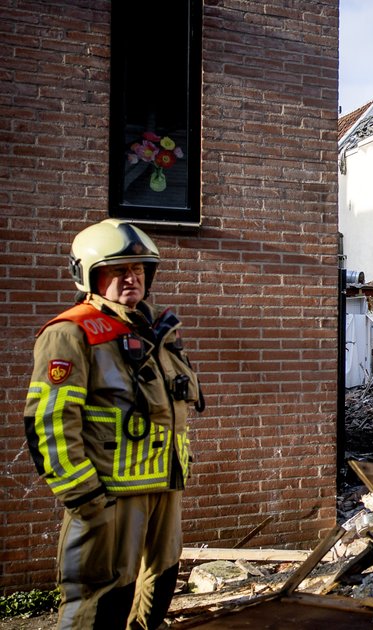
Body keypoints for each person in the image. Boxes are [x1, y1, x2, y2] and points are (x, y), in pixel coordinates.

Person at [23, 219, 202, 629]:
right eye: (118, 270)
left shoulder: (158, 329)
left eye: (138, 270)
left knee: (158, 587)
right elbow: (50, 422)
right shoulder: (71, 332)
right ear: (89, 275)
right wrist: (83, 495)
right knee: (100, 598)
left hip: (164, 487)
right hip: (110, 496)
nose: (130, 278)